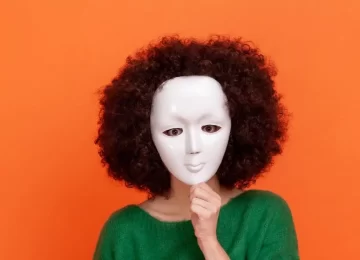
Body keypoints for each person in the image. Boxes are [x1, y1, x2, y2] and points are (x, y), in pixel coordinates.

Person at [93, 35, 299, 259]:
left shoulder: (264, 215)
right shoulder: (124, 232)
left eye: (209, 128)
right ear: (145, 137)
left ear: (237, 128)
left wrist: (208, 240)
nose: (193, 147)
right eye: (173, 131)